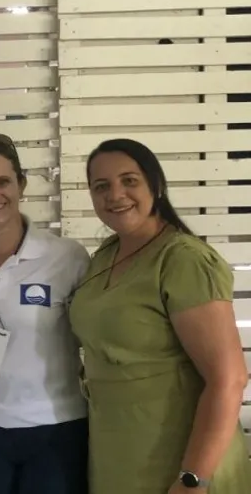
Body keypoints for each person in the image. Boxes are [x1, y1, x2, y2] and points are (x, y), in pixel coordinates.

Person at [68, 138, 251, 494]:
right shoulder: (105, 256)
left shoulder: (183, 260)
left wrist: (194, 478)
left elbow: (229, 379)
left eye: (129, 180)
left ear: (156, 184)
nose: (115, 194)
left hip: (181, 460)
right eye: (101, 186)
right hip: (119, 455)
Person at [0, 134, 90, 494]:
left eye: (3, 182)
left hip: (53, 428)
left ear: (21, 185)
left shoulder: (67, 258)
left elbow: (93, 333)